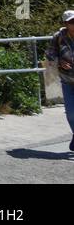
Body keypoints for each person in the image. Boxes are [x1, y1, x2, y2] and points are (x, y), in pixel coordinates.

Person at [46, 9, 74, 152]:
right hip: (67, 80)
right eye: (71, 22)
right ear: (65, 23)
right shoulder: (58, 37)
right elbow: (50, 54)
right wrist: (59, 62)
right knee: (70, 113)